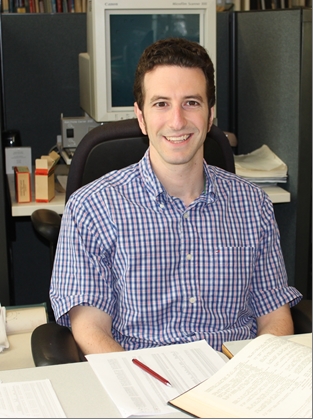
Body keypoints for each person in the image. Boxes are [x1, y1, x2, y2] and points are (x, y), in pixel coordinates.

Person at [50, 37, 302, 355]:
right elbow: (90, 328)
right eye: (161, 104)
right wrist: (137, 383)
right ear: (141, 116)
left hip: (232, 373)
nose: (177, 121)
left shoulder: (253, 205)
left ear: (210, 115)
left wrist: (254, 373)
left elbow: (274, 315)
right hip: (142, 371)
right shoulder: (92, 207)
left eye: (191, 103)